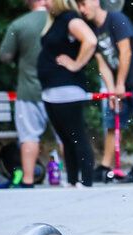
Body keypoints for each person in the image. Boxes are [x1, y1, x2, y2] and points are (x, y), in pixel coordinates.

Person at [74, 0, 133, 183]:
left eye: (83, 4)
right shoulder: (93, 30)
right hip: (121, 83)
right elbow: (103, 64)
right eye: (78, 6)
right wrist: (112, 90)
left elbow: (125, 52)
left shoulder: (116, 19)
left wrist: (120, 83)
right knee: (113, 120)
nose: (82, 10)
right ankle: (105, 166)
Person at [37, 0, 96, 187]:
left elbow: (91, 40)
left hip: (67, 90)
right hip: (51, 91)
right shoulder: (55, 20)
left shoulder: (70, 19)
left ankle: (86, 182)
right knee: (66, 139)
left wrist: (76, 64)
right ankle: (72, 181)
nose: (44, 3)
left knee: (77, 136)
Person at [0, 0, 56, 188]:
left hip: (28, 90)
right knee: (66, 136)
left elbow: (4, 55)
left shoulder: (19, 24)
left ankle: (28, 180)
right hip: (58, 89)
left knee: (29, 136)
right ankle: (74, 179)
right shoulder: (60, 20)